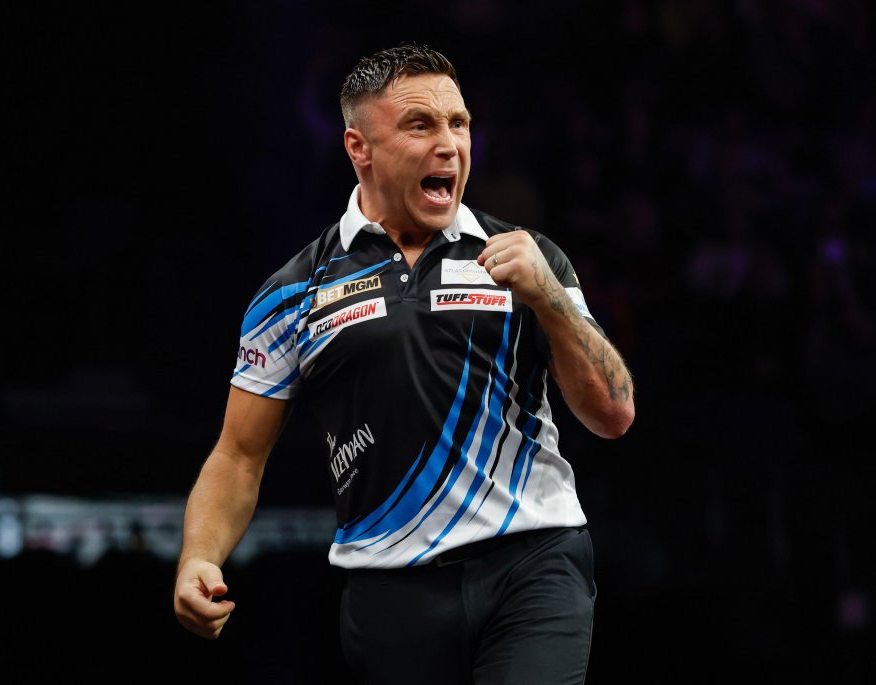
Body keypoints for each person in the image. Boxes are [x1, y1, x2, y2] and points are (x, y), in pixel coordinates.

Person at [173, 43, 635, 684]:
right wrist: (200, 555)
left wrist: (550, 300)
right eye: (421, 126)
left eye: (460, 123)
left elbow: (613, 414)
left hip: (535, 563)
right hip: (388, 590)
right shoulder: (291, 294)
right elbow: (238, 455)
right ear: (358, 148)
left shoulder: (530, 260)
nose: (450, 145)